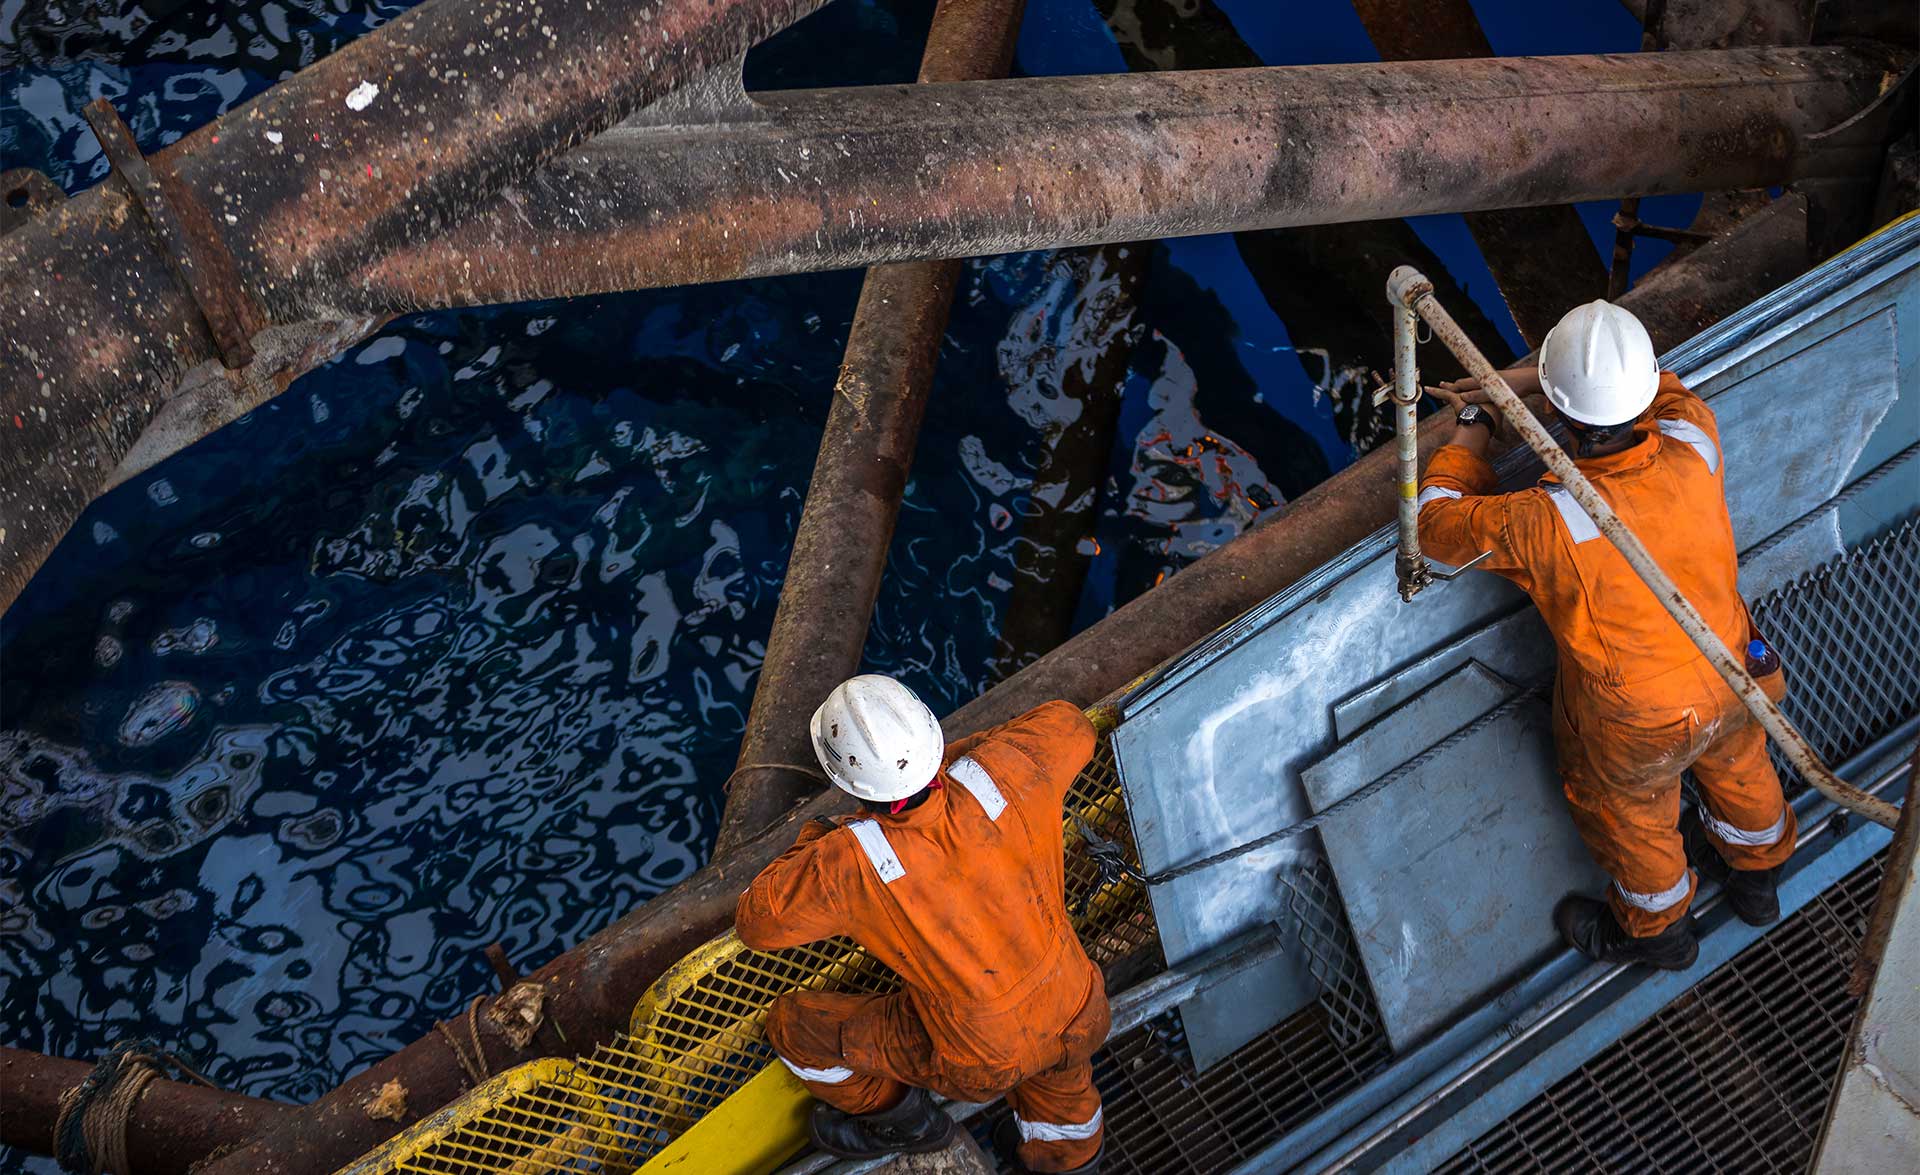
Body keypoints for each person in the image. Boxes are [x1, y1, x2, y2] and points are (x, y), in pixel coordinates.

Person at [1417, 300, 1795, 971]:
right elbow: (1661, 389)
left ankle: (1659, 933)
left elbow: (1435, 522)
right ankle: (1758, 880)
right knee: (1740, 764)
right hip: (1735, 670)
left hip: (1639, 725)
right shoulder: (1695, 438)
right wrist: (1538, 379)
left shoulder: (1546, 520)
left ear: (1563, 415)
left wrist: (1476, 422)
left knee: (1632, 813)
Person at [736, 675, 1109, 1173]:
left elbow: (756, 923)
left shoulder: (850, 861)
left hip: (981, 1061)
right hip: (1078, 1004)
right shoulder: (1008, 769)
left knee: (797, 1028)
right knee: (1064, 1089)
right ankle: (1072, 1159)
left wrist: (819, 837)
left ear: (846, 782)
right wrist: (965, 759)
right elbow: (1072, 723)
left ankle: (904, 1121)